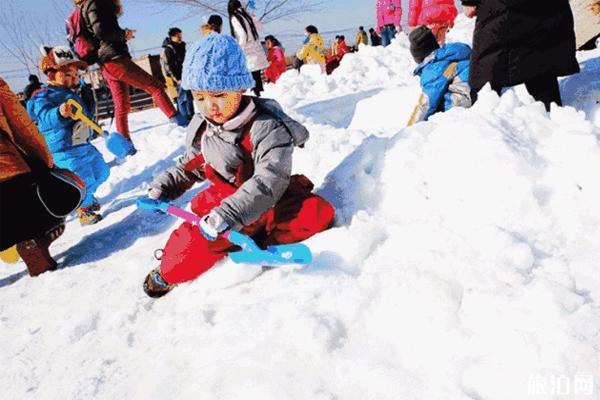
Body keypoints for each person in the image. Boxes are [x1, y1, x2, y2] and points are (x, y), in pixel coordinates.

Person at [142, 34, 335, 297]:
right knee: (189, 249)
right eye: (199, 97)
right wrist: (164, 186)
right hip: (222, 204)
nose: (210, 106)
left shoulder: (266, 127)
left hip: (267, 199)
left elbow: (270, 179)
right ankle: (166, 272)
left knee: (317, 213)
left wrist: (233, 215)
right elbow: (192, 166)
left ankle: (260, 241)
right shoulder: (204, 128)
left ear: (240, 88)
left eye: (219, 95)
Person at [75, 0, 186, 153]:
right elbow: (102, 31)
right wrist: (123, 34)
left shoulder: (83, 8)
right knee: (155, 87)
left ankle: (126, 147)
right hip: (114, 58)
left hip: (106, 63)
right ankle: (181, 125)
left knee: (122, 105)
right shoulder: (95, 2)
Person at [27, 46, 109, 225]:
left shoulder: (74, 92)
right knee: (83, 179)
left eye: (75, 75)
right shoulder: (42, 96)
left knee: (102, 171)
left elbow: (85, 116)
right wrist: (59, 112)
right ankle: (84, 210)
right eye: (67, 75)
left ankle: (82, 198)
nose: (73, 78)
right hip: (63, 148)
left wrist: (94, 130)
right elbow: (44, 117)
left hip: (82, 143)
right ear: (51, 75)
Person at [0, 77, 68, 276]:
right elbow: (21, 125)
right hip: (10, 174)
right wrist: (46, 162)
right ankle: (34, 240)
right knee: (56, 200)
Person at [462, 0, 579, 111]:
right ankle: (555, 118)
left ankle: (483, 122)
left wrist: (469, 1)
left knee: (487, 70)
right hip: (547, 8)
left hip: (503, 10)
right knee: (541, 62)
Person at [407, 26, 472, 125]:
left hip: (462, 101)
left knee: (436, 106)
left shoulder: (434, 69)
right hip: (475, 89)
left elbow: (426, 104)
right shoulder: (450, 54)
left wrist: (410, 128)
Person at [228, 0, 269, 97]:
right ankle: (259, 96)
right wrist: (253, 15)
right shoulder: (246, 15)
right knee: (256, 76)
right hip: (256, 48)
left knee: (250, 77)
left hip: (248, 51)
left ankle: (256, 101)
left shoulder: (235, 17)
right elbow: (260, 27)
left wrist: (239, 49)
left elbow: (242, 35)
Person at [161, 27, 194, 123]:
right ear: (172, 37)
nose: (180, 37)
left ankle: (191, 115)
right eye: (177, 36)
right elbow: (170, 66)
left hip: (186, 75)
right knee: (182, 97)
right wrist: (177, 78)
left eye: (180, 35)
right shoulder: (169, 49)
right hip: (178, 77)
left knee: (188, 96)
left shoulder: (182, 46)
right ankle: (184, 117)